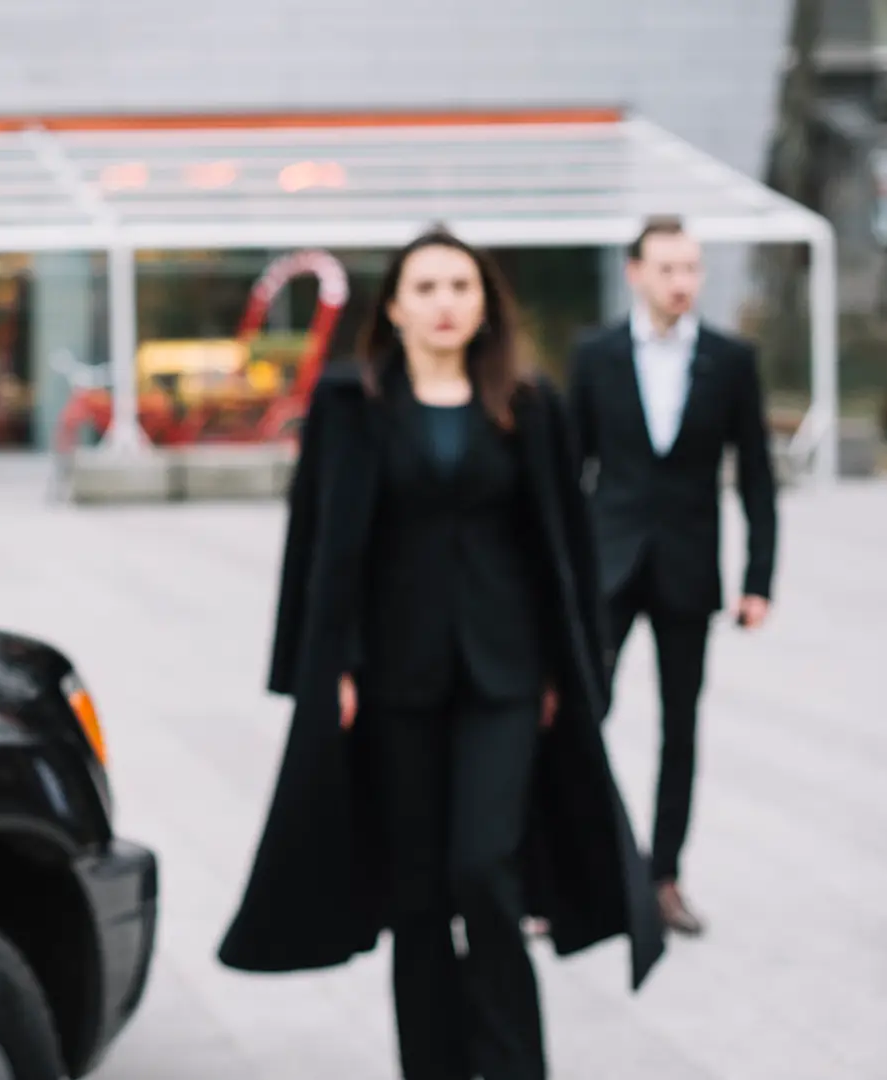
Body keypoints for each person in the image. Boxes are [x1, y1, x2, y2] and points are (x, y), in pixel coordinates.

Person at [217, 229, 664, 1080]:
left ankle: (515, 1066)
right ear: (394, 306)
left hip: (506, 677)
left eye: (462, 285)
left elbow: (563, 548)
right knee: (416, 894)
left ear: (486, 302)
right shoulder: (351, 404)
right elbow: (318, 543)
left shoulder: (532, 404)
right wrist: (325, 665)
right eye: (426, 287)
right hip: (394, 678)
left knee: (483, 872)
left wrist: (571, 671)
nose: (446, 301)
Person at [567, 215, 779, 937]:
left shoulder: (731, 359)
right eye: (667, 268)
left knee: (680, 729)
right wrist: (556, 574)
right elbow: (568, 473)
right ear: (635, 273)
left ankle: (664, 878)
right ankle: (567, 872)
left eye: (691, 268)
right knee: (580, 714)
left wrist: (759, 580)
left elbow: (756, 476)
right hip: (608, 566)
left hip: (689, 570)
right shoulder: (593, 356)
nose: (681, 282)